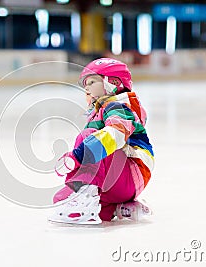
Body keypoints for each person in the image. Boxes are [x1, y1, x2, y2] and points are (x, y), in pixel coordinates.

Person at [48, 58, 154, 225]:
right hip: (122, 182)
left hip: (132, 171)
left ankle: (84, 196)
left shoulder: (118, 107)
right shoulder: (102, 110)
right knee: (62, 199)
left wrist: (76, 156)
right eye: (85, 84)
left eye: (92, 81)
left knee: (88, 136)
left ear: (112, 82)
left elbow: (115, 135)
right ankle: (121, 208)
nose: (87, 87)